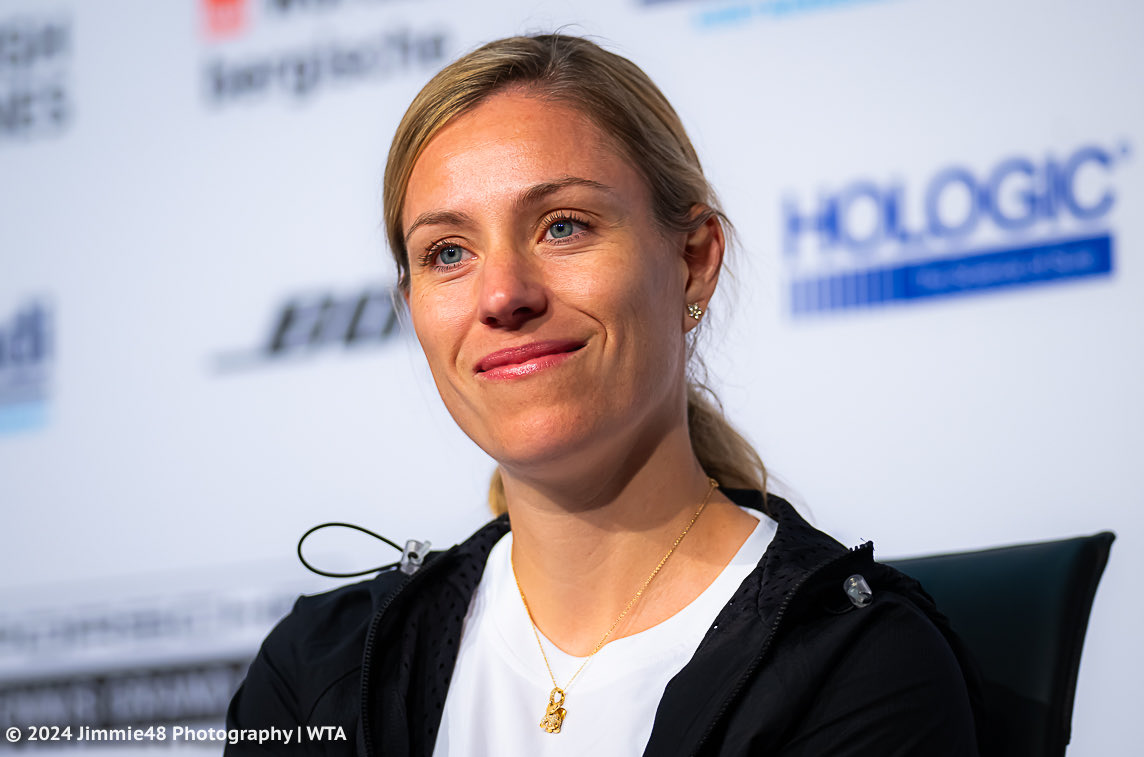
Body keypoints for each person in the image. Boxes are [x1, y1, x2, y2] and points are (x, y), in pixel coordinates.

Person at [226, 33, 984, 756]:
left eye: (563, 226)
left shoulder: (855, 664)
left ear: (692, 261)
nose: (503, 296)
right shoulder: (320, 675)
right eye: (448, 252)